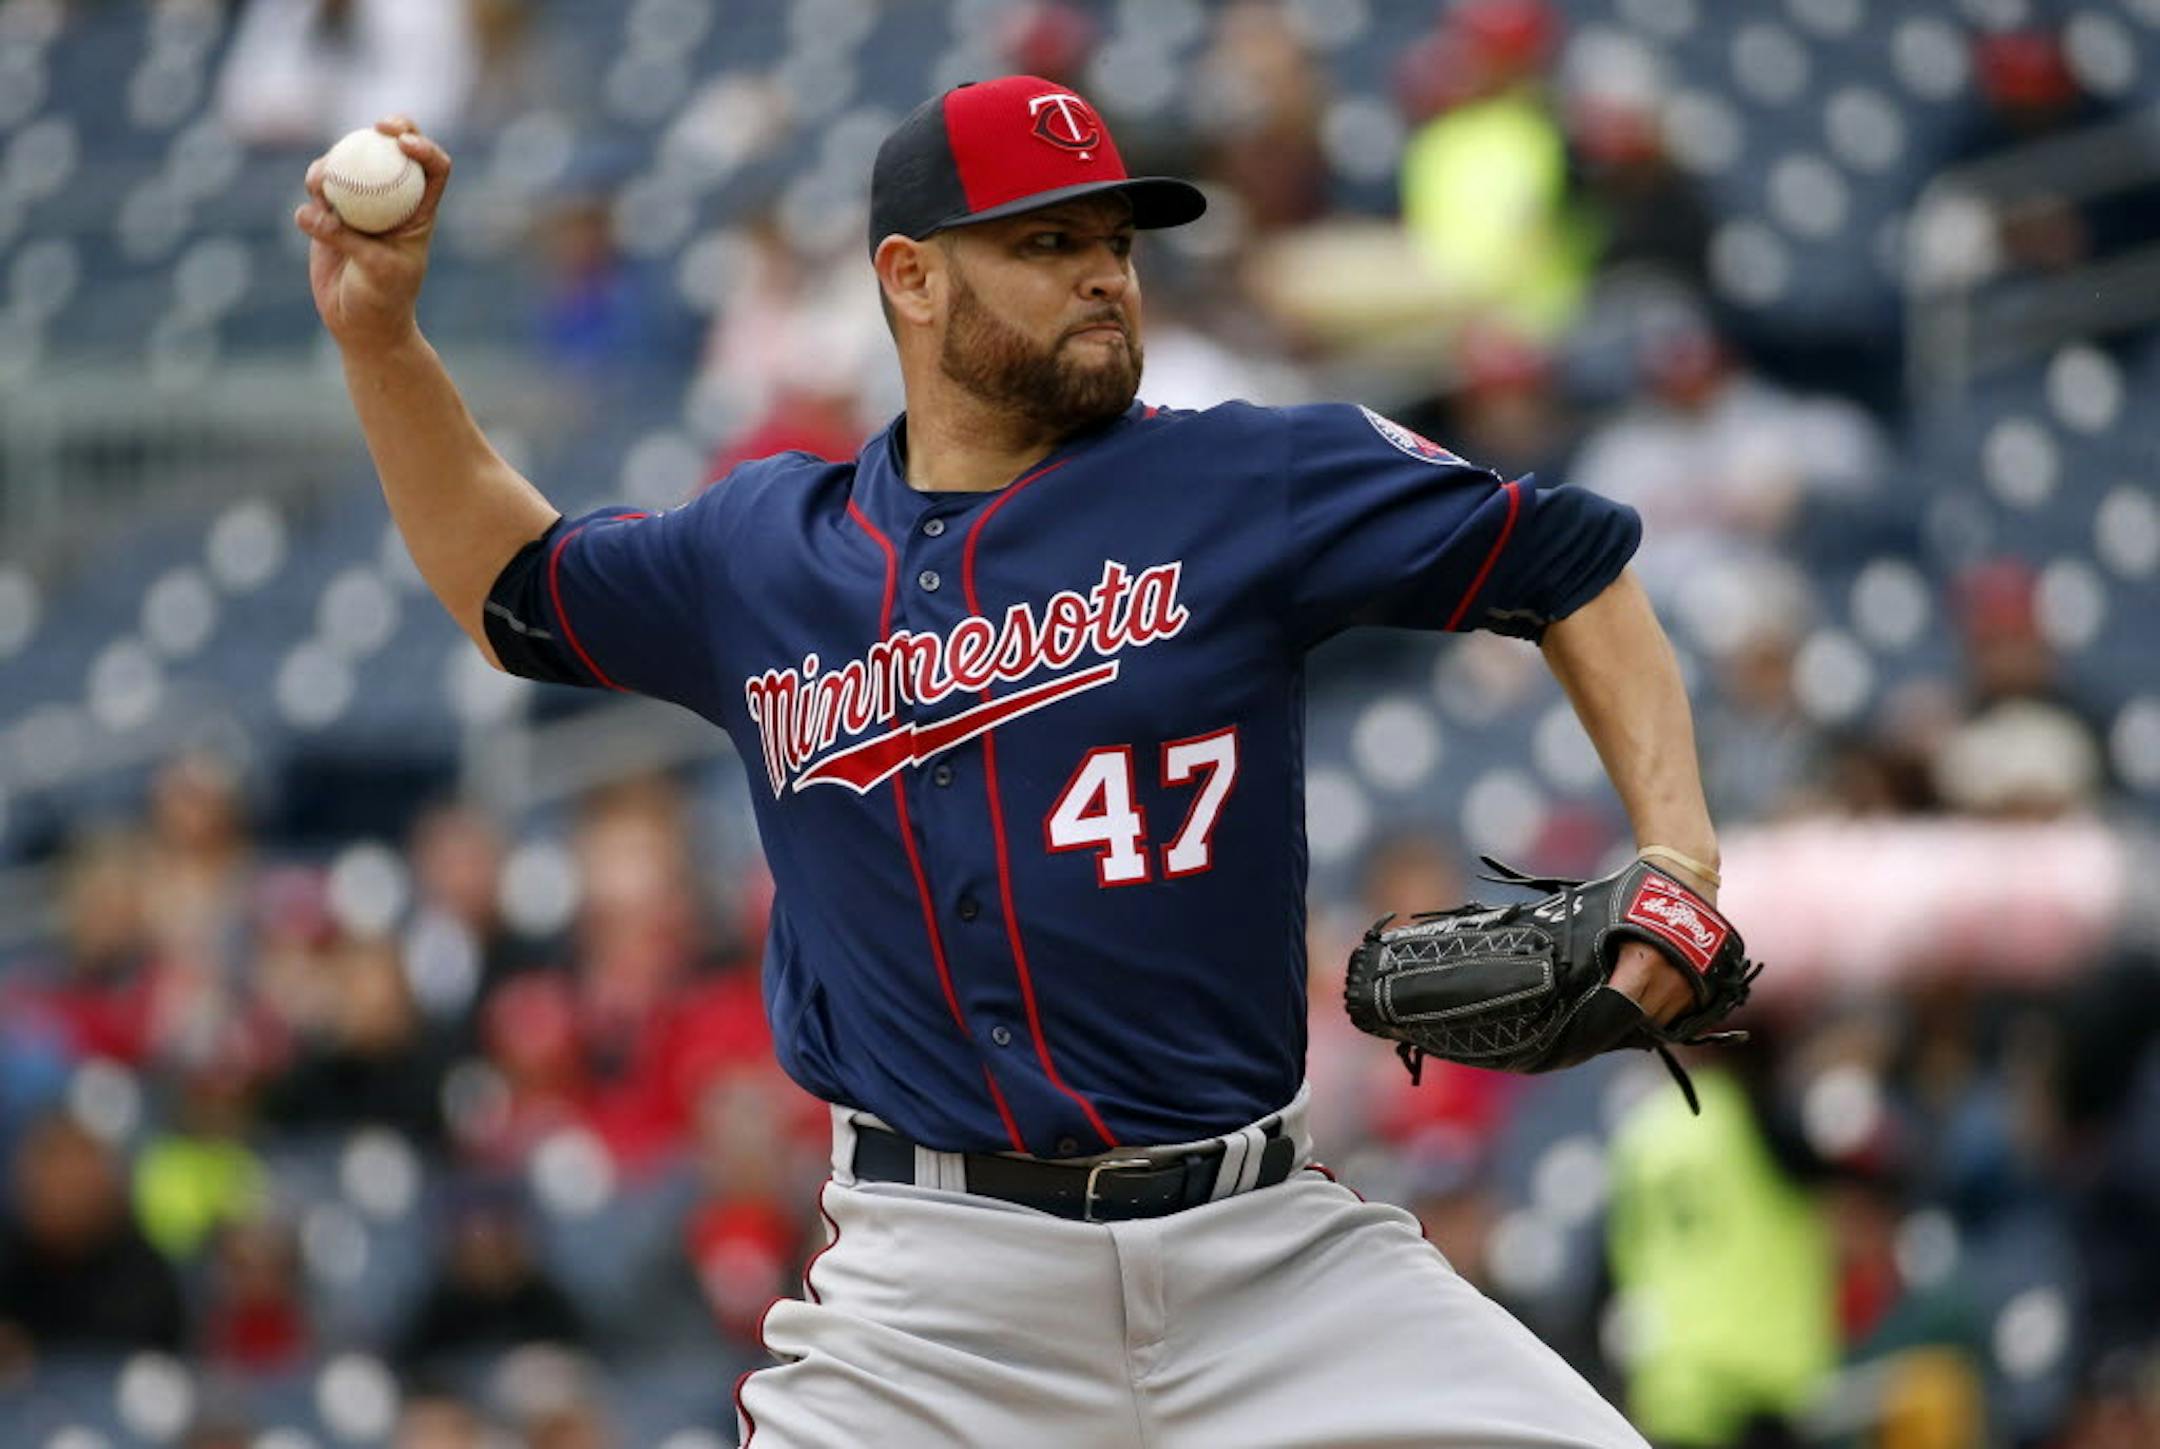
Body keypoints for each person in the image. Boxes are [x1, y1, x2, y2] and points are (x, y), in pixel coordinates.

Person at [298, 74, 1730, 1448]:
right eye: (1048, 243)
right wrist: (382, 346)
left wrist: (1679, 858)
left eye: (1116, 242)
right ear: (911, 277)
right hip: (937, 1300)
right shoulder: (761, 555)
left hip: (1267, 1254)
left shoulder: (1245, 478)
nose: (1106, 274)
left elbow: (1569, 562)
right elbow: (511, 584)